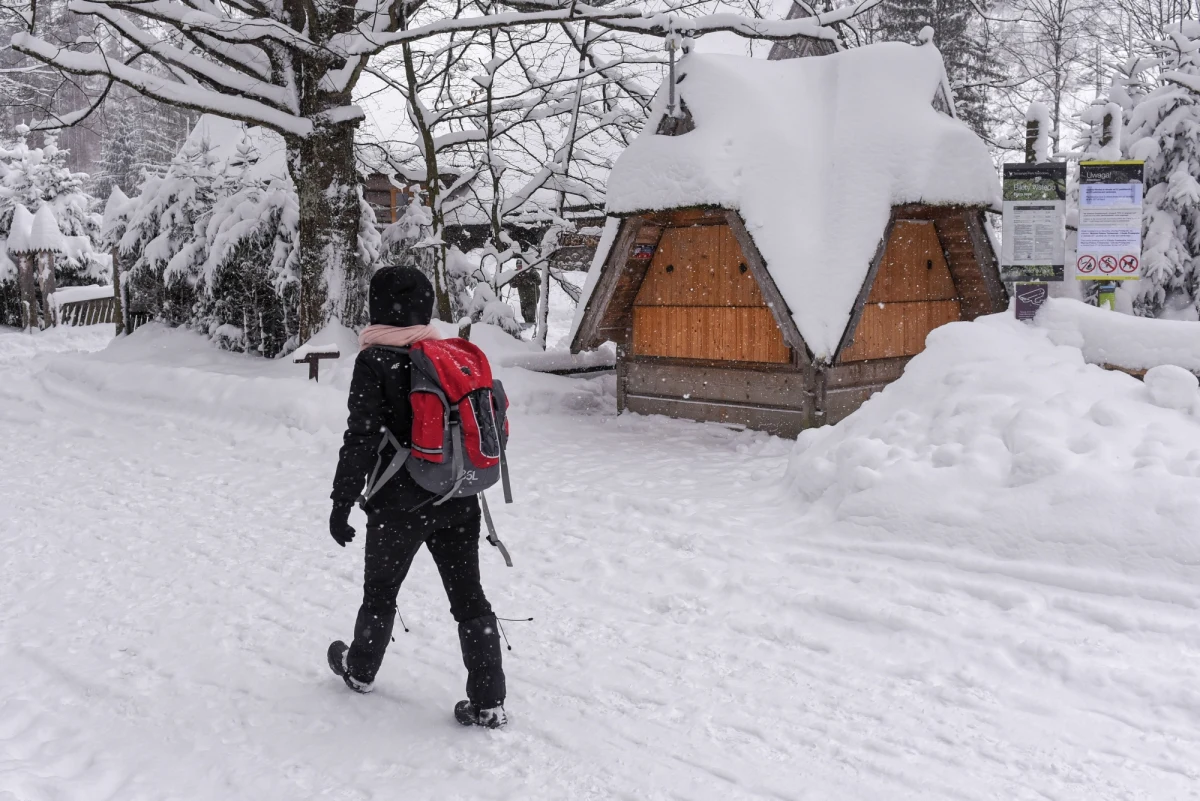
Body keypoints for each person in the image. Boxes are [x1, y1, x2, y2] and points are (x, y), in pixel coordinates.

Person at [326, 265, 507, 729]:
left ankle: (361, 670)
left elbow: (360, 437)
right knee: (470, 598)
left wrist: (341, 501)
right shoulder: (445, 354)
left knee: (381, 593)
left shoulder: (374, 360)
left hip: (398, 504)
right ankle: (489, 700)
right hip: (457, 494)